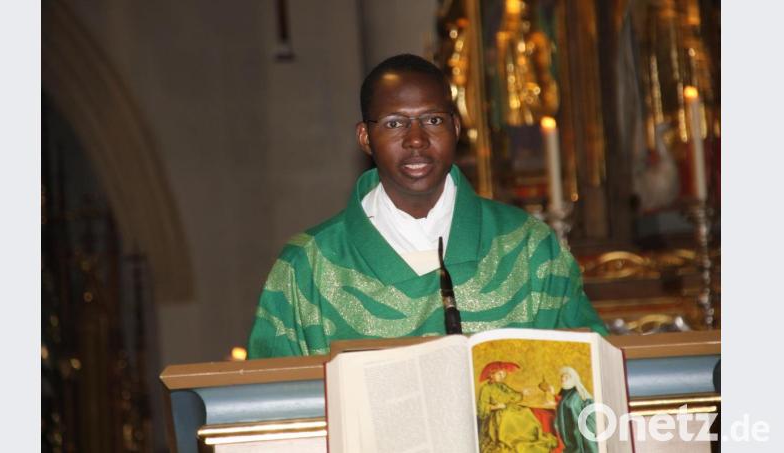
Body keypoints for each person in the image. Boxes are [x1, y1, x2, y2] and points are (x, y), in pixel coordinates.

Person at [247, 54, 606, 358]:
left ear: (455, 126)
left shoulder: (529, 248)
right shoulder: (308, 266)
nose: (416, 140)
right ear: (365, 138)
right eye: (394, 123)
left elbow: (588, 378)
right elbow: (274, 404)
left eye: (433, 120)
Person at [477, 362, 558, 453]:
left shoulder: (502, 386)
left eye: (503, 374)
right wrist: (496, 406)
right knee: (512, 419)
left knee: (525, 412)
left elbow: (513, 396)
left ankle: (531, 437)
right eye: (499, 374)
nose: (502, 376)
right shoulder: (486, 389)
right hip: (497, 416)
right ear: (491, 375)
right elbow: (482, 408)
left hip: (510, 409)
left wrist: (523, 393)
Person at [553, 366, 598, 453]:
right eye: (562, 376)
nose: (563, 378)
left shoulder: (578, 394)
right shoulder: (564, 394)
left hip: (578, 430)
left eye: (566, 377)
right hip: (567, 431)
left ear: (573, 379)